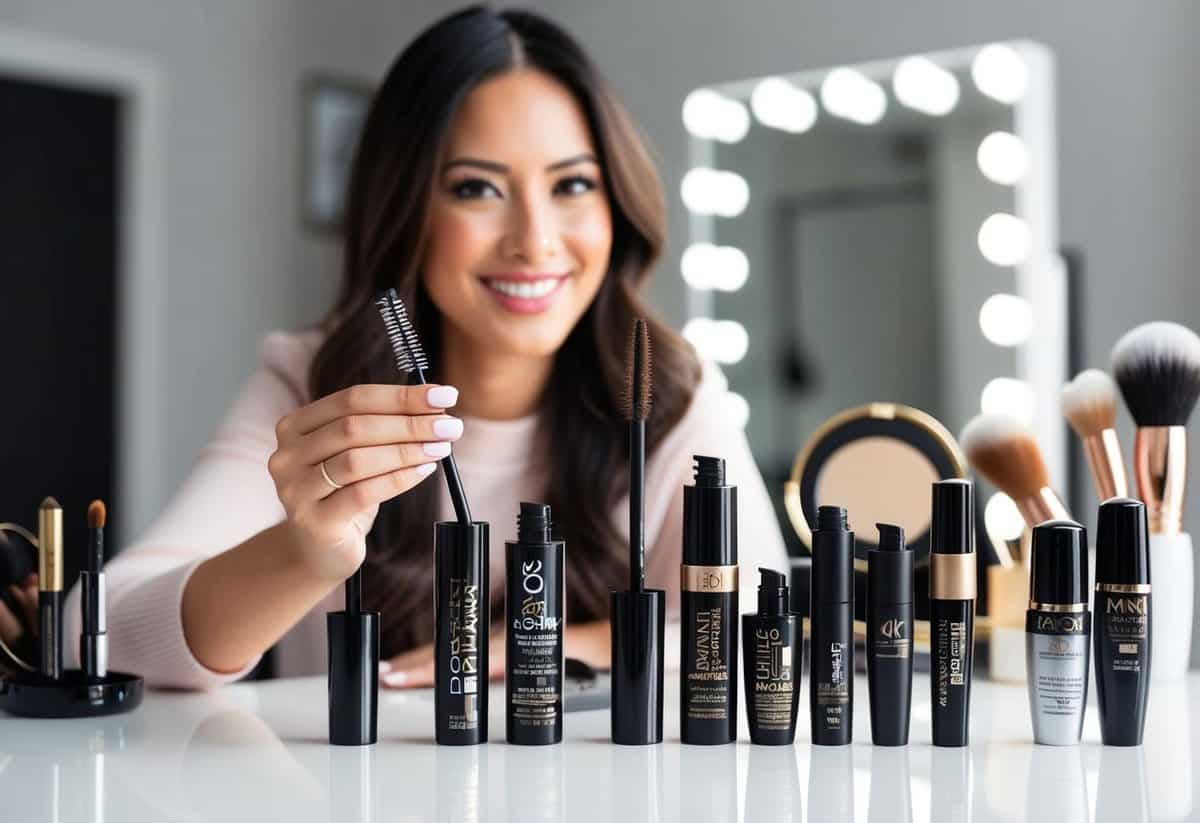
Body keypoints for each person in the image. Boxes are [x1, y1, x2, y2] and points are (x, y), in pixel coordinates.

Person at [23, 6, 788, 689]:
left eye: (573, 185)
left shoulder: (671, 394)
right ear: (405, 209)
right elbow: (91, 627)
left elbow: (768, 635)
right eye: (476, 188)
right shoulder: (313, 384)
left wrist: (541, 642)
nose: (535, 240)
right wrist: (305, 553)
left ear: (617, 201)